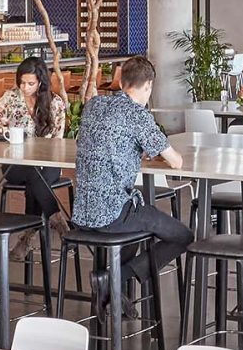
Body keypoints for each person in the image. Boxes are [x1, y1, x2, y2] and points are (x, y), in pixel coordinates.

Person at [72, 55, 190, 292]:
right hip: (112, 213)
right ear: (148, 86)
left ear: (122, 81)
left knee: (135, 223)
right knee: (183, 236)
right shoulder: (137, 115)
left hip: (82, 211)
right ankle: (112, 279)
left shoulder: (95, 104)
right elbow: (175, 162)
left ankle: (113, 298)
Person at [0, 56, 71, 235]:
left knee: (35, 177)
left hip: (48, 163)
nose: (25, 88)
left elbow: (58, 142)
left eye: (30, 83)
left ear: (41, 82)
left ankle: (27, 237)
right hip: (16, 164)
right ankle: (57, 218)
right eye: (22, 83)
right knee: (33, 172)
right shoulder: (11, 97)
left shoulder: (55, 103)